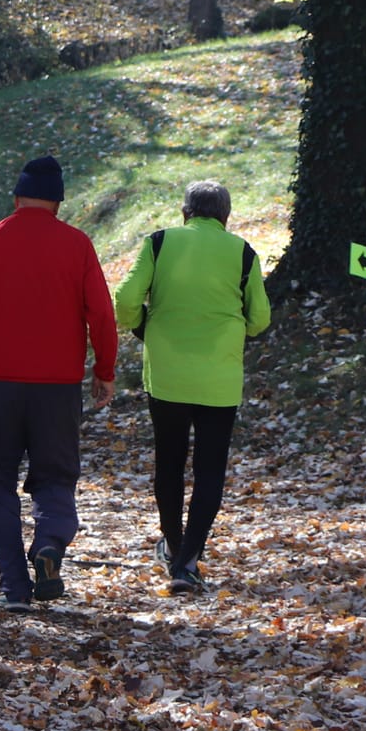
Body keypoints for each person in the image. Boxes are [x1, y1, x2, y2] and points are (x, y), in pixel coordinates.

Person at [0, 155, 118, 611]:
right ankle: (50, 543)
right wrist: (104, 370)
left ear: (16, 198)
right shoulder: (77, 245)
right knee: (56, 475)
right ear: (58, 202)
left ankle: (14, 586)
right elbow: (101, 314)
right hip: (58, 387)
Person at [113, 180, 271, 595]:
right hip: (219, 379)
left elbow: (125, 300)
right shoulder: (243, 252)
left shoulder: (159, 243)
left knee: (169, 462)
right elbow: (259, 319)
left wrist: (144, 327)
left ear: (185, 213)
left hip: (168, 376)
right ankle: (188, 561)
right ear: (226, 217)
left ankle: (172, 543)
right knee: (210, 469)